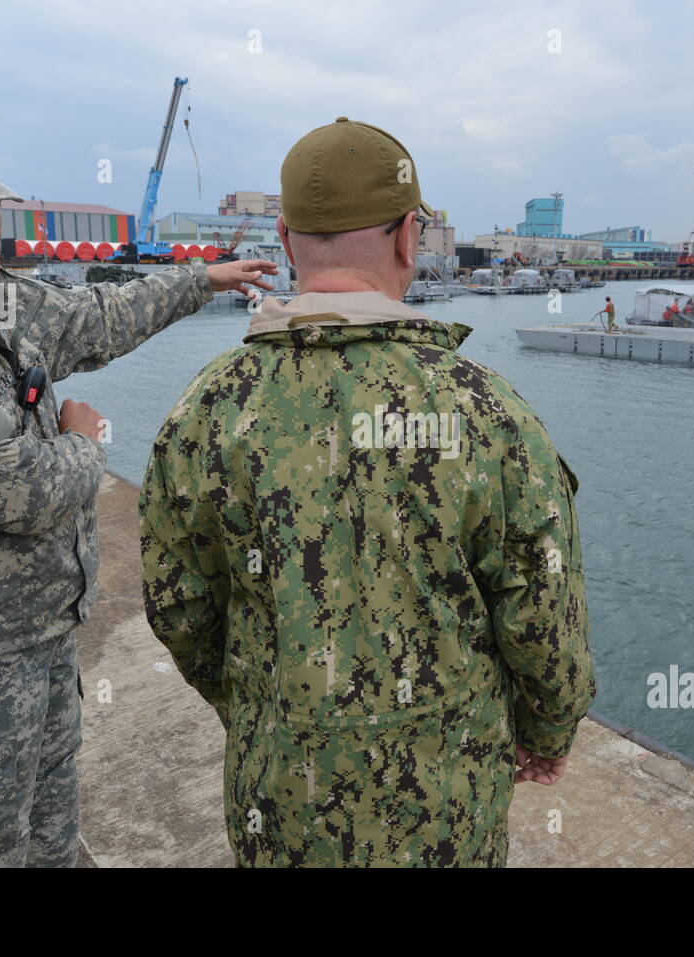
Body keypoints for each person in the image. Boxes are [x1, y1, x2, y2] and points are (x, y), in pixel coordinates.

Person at [141, 116, 595, 867]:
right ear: (409, 238)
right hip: (446, 814)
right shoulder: (487, 413)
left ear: (286, 242)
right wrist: (547, 733)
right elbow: (545, 615)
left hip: (278, 804)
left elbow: (179, 607)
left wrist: (256, 706)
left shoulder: (206, 411)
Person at [0, 123, 277, 867]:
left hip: (39, 638)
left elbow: (91, 320)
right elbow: (23, 492)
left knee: (52, 839)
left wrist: (204, 279)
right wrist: (85, 438)